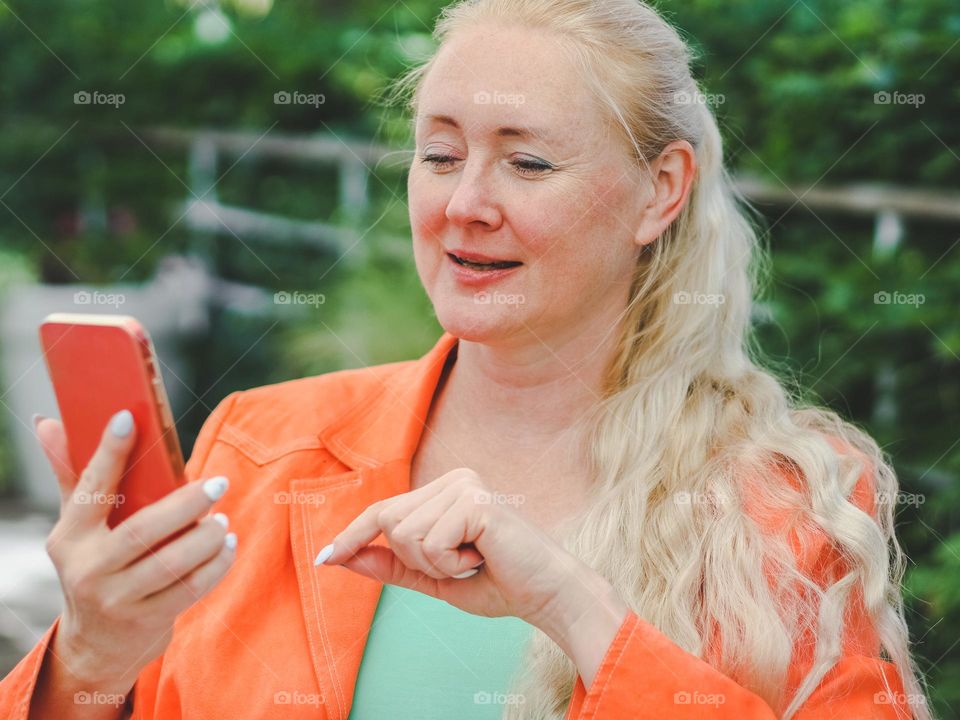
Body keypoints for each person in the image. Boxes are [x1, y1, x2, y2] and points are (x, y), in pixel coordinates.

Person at [1, 0, 929, 718]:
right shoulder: (261, 445)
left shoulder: (789, 503)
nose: (465, 205)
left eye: (526, 165)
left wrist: (576, 613)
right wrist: (91, 655)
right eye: (440, 155)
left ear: (661, 191)